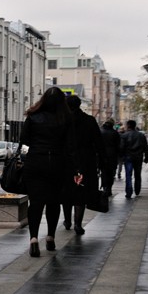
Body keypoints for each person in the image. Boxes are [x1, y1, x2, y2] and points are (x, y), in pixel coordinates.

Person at [19, 87, 76, 258]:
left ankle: (34, 239)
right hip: (58, 164)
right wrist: (75, 168)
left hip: (36, 162)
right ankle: (50, 237)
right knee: (54, 202)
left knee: (35, 203)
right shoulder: (66, 118)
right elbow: (70, 145)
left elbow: (24, 140)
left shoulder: (33, 116)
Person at [61, 96, 105, 235]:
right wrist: (102, 162)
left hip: (66, 161)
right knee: (81, 192)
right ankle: (78, 224)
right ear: (79, 105)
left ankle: (67, 220)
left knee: (66, 191)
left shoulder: (62, 120)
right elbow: (99, 142)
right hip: (86, 161)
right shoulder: (89, 120)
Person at [119, 120, 148, 199]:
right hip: (138, 157)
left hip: (128, 157)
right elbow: (146, 147)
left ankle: (129, 192)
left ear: (128, 126)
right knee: (137, 174)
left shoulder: (124, 135)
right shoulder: (141, 135)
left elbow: (121, 147)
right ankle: (137, 189)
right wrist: (146, 157)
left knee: (128, 175)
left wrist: (121, 157)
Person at [99, 120, 120, 195]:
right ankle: (109, 188)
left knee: (103, 172)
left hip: (102, 155)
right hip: (113, 155)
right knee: (111, 173)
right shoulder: (115, 133)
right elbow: (118, 145)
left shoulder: (100, 132)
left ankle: (105, 187)